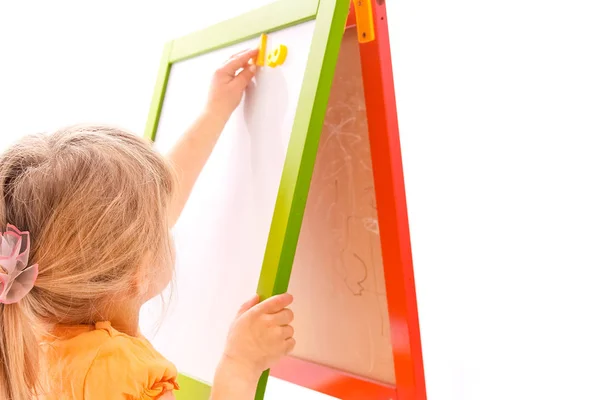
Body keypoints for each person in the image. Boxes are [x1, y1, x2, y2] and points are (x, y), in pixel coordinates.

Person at [0, 48, 295, 400]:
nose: (166, 229)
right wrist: (240, 365)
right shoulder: (122, 374)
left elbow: (139, 219)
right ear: (137, 271)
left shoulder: (25, 339)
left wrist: (215, 111)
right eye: (160, 232)